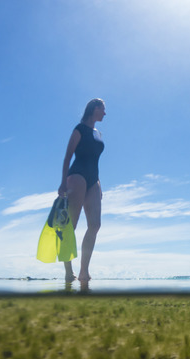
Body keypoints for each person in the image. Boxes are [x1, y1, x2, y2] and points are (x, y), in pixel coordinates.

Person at [57, 98, 106, 287]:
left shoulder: (98, 133)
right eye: (103, 109)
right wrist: (63, 183)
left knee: (95, 225)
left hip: (94, 179)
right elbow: (68, 156)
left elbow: (95, 160)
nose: (105, 113)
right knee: (71, 225)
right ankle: (68, 271)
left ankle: (84, 270)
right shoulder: (79, 129)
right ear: (95, 108)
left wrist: (99, 183)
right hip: (77, 176)